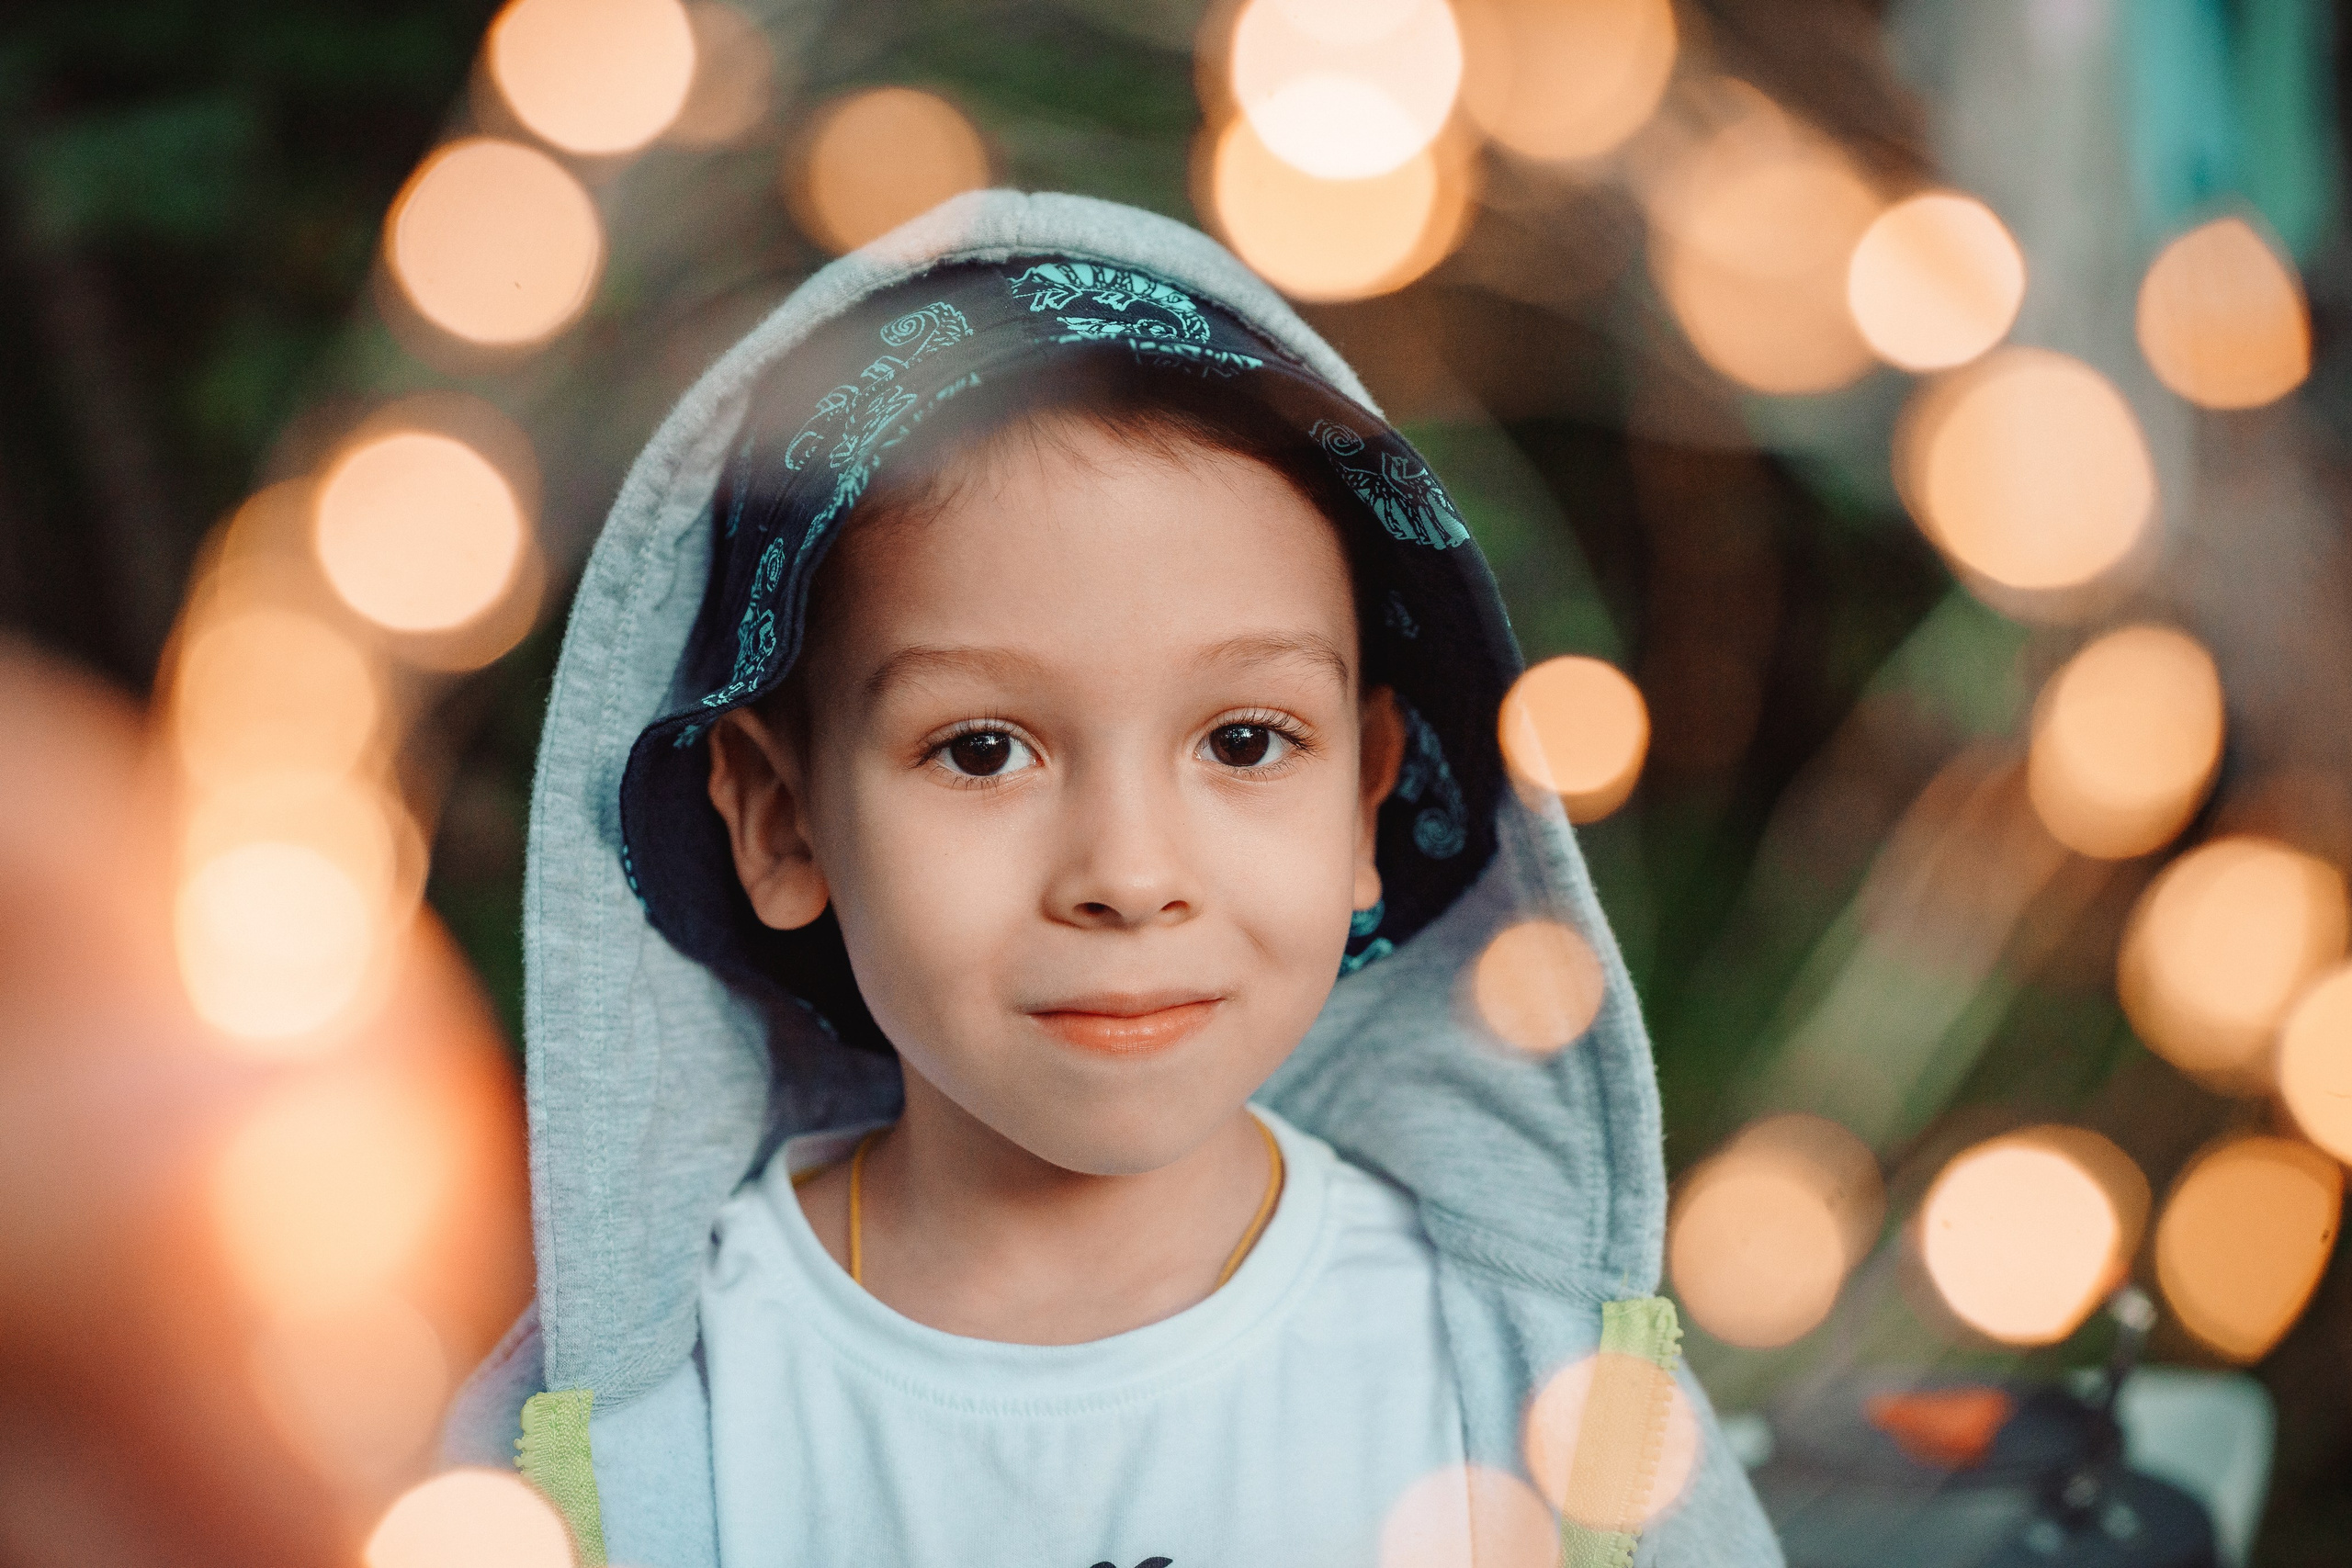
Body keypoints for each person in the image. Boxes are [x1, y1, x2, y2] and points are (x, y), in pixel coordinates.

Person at [444, 190, 1781, 1567]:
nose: (1129, 877)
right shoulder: (652, 1433)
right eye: (982, 750)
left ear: (1372, 792)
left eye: (1246, 740)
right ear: (783, 819)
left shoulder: (1527, 1391)